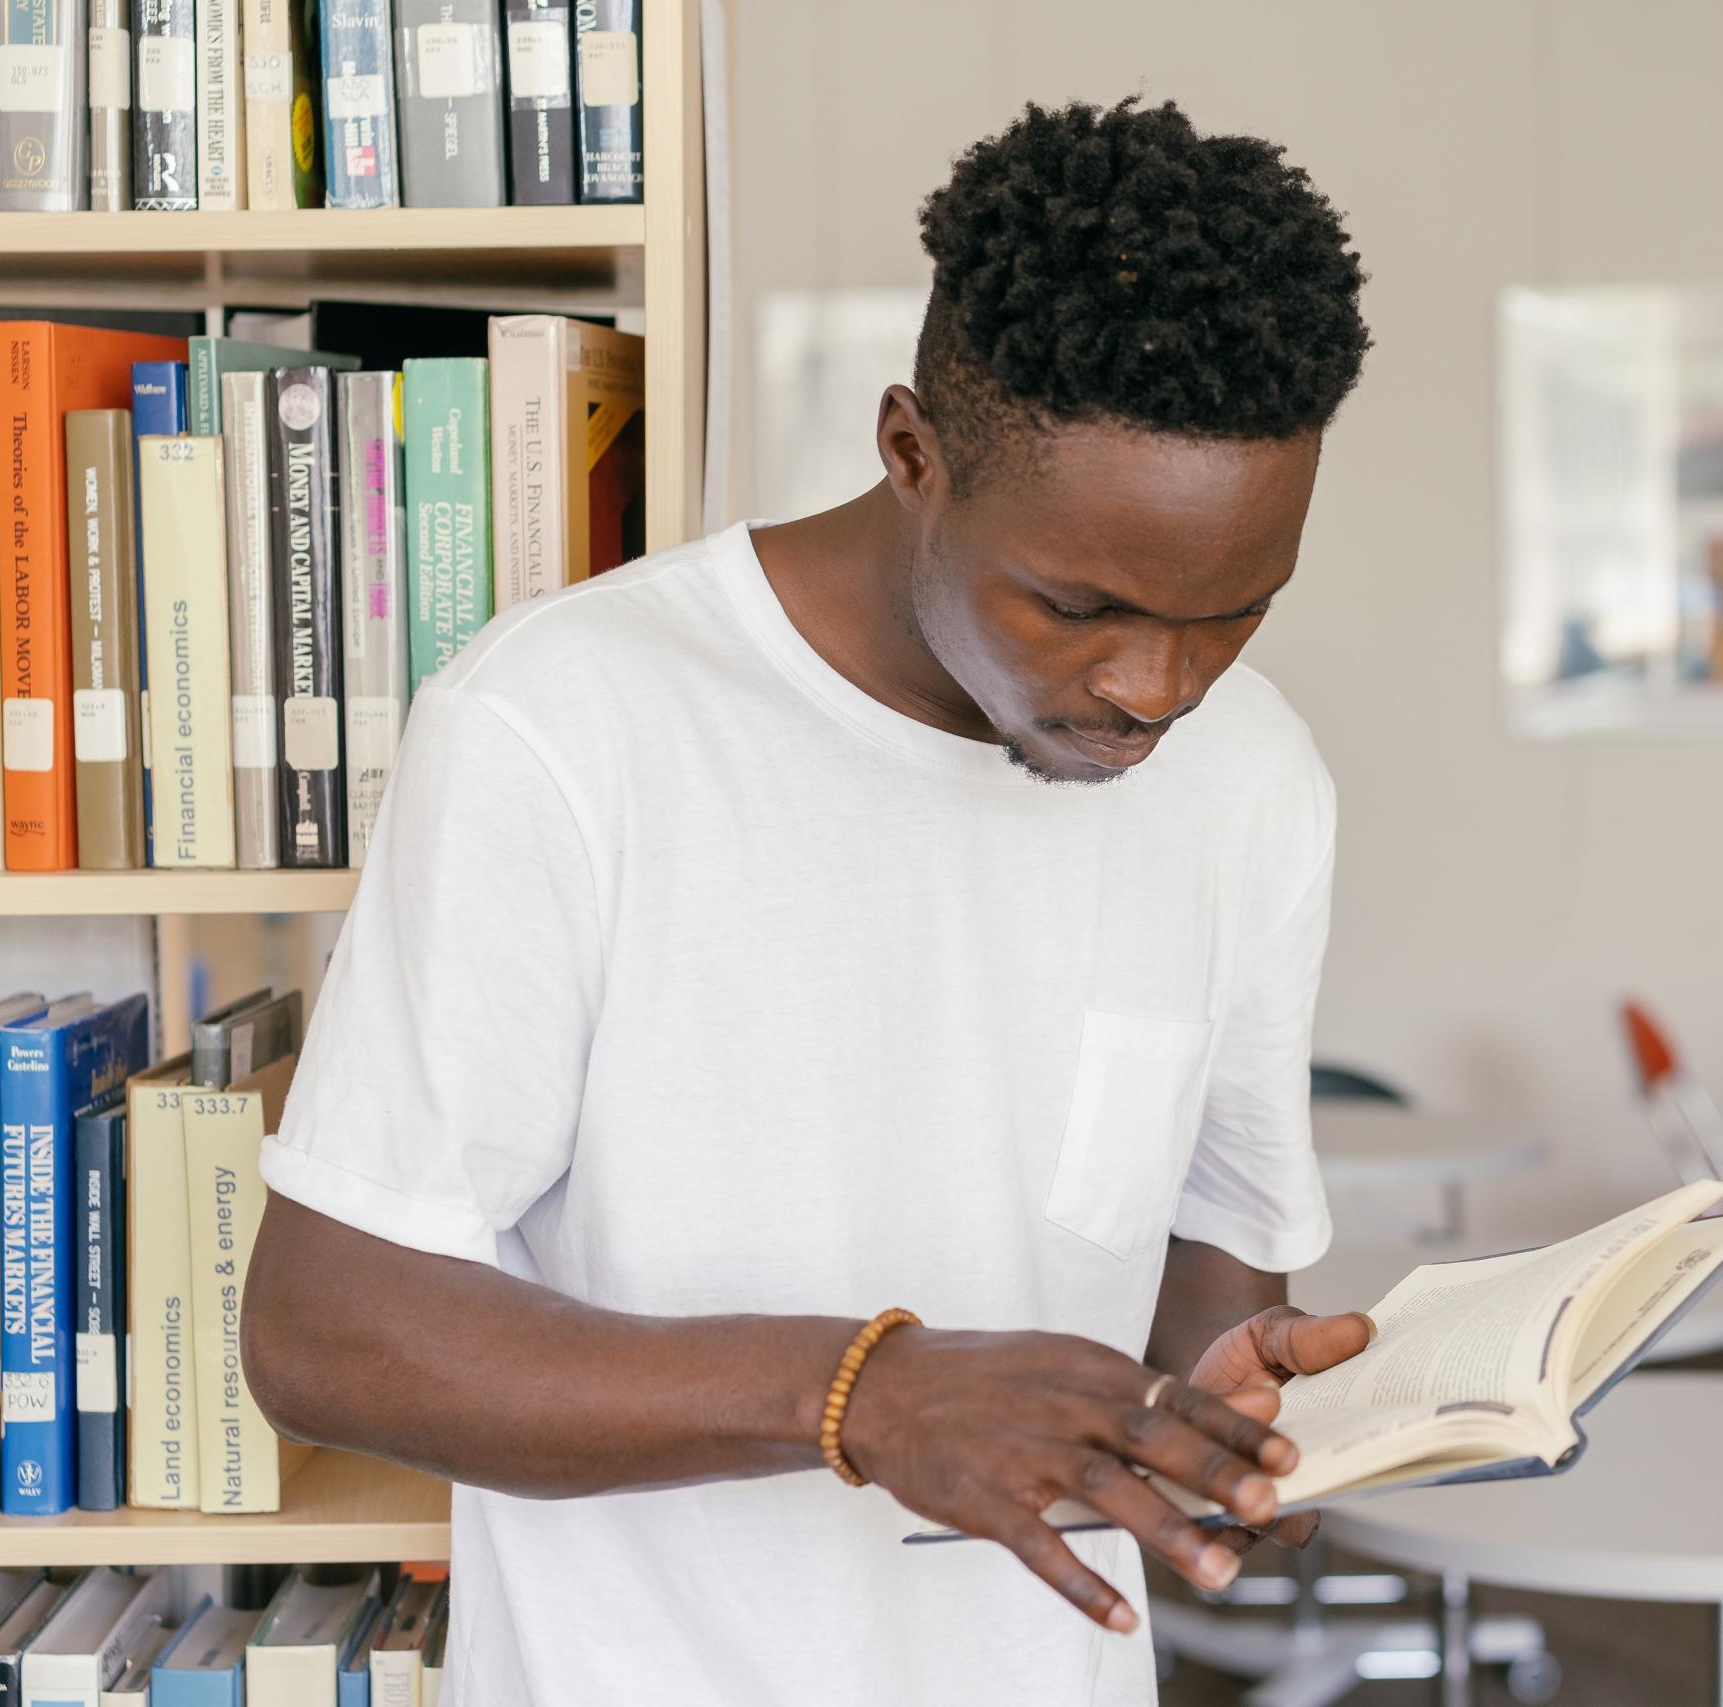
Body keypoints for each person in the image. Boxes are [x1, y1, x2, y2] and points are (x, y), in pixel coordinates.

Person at [243, 94, 1376, 1705]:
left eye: (1232, 614)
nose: (1158, 687)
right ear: (911, 451)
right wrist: (864, 1394)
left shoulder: (1254, 777)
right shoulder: (567, 725)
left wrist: (1219, 1425)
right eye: (1079, 606)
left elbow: (1210, 1271)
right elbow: (326, 1333)